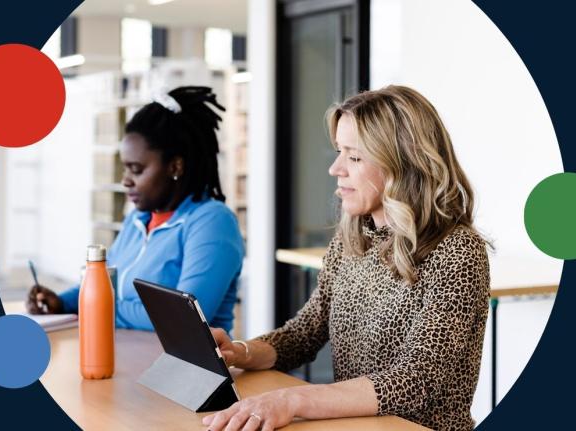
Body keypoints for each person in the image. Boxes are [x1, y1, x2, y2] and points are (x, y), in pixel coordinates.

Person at [204, 85, 490, 431]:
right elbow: (307, 331)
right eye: (340, 151)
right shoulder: (353, 236)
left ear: (405, 163)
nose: (335, 168)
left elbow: (415, 381)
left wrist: (293, 399)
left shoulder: (458, 251)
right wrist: (241, 352)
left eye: (354, 157)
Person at [26, 86, 245, 333]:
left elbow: (185, 318)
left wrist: (98, 305)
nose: (126, 180)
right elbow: (103, 284)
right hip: (127, 357)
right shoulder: (138, 219)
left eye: (137, 169)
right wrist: (62, 302)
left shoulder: (212, 223)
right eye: (125, 168)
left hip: (189, 369)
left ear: (175, 167)